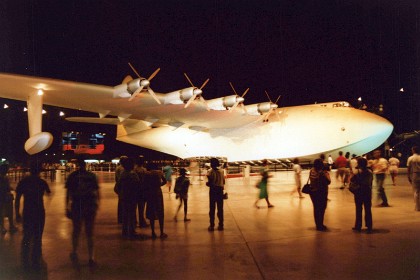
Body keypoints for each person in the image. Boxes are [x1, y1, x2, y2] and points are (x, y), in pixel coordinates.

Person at [15, 161, 51, 270]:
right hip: (39, 212)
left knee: (27, 236)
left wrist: (17, 213)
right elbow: (49, 193)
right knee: (37, 237)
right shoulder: (42, 182)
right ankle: (36, 260)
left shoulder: (23, 182)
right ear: (39, 171)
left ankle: (25, 260)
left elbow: (17, 199)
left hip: (28, 211)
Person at [65, 158, 100, 266]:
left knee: (76, 230)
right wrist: (98, 204)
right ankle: (91, 257)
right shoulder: (92, 176)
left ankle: (74, 251)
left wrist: (66, 207)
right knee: (90, 232)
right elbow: (97, 191)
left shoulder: (72, 176)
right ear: (85, 165)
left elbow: (68, 193)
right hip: (90, 204)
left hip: (77, 205)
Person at [116, 157, 141, 238]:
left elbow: (117, 187)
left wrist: (121, 193)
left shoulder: (122, 174)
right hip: (132, 197)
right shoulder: (133, 174)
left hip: (124, 197)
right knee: (132, 214)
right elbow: (137, 185)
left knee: (125, 214)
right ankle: (131, 231)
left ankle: (125, 230)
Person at [144, 162, 167, 239]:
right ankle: (161, 232)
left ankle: (153, 232)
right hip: (158, 193)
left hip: (150, 193)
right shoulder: (159, 172)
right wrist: (159, 185)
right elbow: (165, 181)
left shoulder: (147, 174)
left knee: (151, 212)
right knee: (160, 211)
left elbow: (145, 183)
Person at [350, 157, 373, 233]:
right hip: (366, 192)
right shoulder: (369, 172)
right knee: (367, 209)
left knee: (359, 209)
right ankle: (368, 226)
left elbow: (352, 180)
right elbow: (368, 182)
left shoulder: (358, 172)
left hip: (359, 192)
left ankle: (358, 226)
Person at [309, 158, 331, 231]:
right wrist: (326, 174)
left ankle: (317, 224)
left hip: (313, 192)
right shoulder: (322, 173)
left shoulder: (311, 170)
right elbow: (328, 182)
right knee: (322, 209)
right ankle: (320, 225)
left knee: (316, 208)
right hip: (321, 192)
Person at [207, 158, 225, 231]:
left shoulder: (210, 172)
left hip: (213, 191)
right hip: (220, 191)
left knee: (212, 208)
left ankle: (212, 225)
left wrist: (208, 183)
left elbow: (210, 183)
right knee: (220, 208)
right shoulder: (221, 171)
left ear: (212, 164)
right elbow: (223, 182)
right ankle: (221, 225)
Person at [0, 164, 17, 235]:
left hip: (5, 197)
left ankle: (7, 227)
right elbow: (4, 187)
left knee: (5, 212)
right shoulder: (3, 178)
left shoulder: (4, 177)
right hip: (4, 197)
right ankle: (8, 227)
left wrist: (11, 188)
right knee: (6, 212)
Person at [134, 156, 148, 228]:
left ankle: (134, 221)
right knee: (141, 207)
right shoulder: (144, 170)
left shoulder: (134, 170)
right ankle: (142, 221)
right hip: (142, 190)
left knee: (134, 207)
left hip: (135, 190)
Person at [114, 155, 128, 224]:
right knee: (124, 203)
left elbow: (116, 178)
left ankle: (120, 218)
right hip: (123, 187)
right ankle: (123, 218)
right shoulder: (123, 168)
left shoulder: (118, 168)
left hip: (119, 187)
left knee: (120, 203)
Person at [407, 146, 420, 211]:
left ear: (413, 150)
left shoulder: (410, 158)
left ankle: (417, 207)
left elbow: (408, 168)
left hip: (415, 174)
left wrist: (408, 176)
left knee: (416, 191)